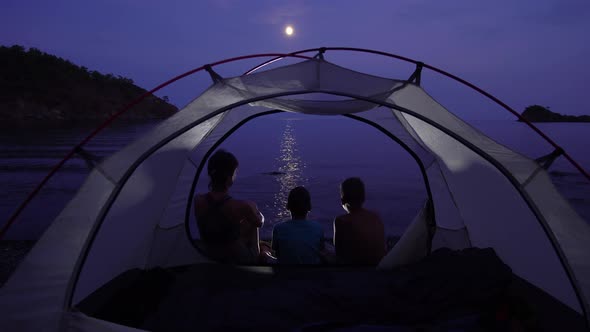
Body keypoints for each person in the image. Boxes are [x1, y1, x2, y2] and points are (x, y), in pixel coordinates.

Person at [194, 149, 265, 264]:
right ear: (228, 178)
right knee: (252, 221)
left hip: (209, 254)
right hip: (237, 258)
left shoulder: (198, 201)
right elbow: (259, 223)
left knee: (227, 222)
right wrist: (258, 212)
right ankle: (256, 256)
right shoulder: (242, 206)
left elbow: (217, 222)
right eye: (235, 173)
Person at [333, 177, 386, 265]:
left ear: (342, 200)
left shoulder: (340, 221)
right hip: (375, 268)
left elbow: (339, 253)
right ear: (364, 198)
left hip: (353, 270)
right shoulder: (375, 217)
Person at [271, 186, 325, 265]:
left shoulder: (278, 228)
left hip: (285, 273)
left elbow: (277, 252)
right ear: (309, 207)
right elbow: (321, 249)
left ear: (288, 206)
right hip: (312, 274)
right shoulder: (318, 228)